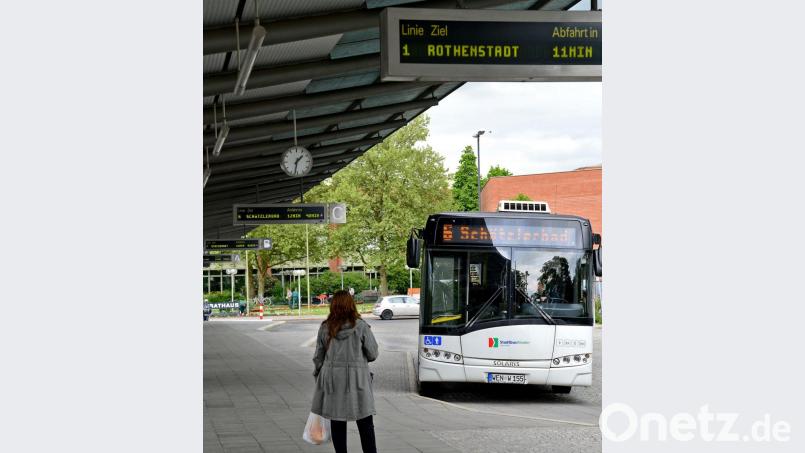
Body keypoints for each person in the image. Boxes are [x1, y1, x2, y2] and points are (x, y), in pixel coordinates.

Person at [311, 290, 378, 453]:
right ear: (351, 304)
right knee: (365, 422)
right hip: (358, 379)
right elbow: (373, 354)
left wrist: (319, 374)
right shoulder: (361, 326)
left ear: (333, 306)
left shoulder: (326, 327)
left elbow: (318, 356)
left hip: (333, 380)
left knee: (337, 421)